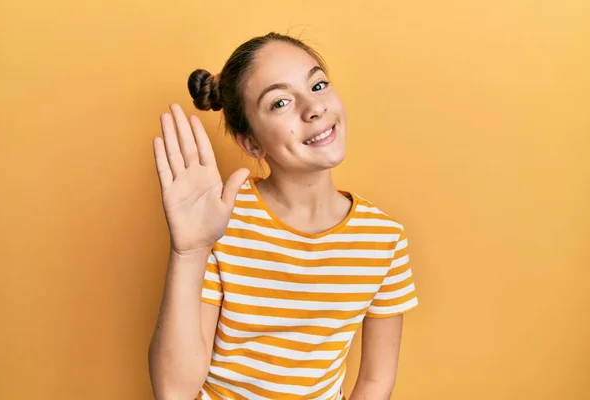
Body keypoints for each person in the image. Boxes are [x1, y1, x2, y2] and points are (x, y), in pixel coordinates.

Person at [148, 32, 418, 400]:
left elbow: (374, 381)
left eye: (318, 84)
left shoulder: (383, 239)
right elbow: (173, 391)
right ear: (250, 143)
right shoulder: (222, 218)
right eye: (280, 103)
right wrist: (190, 251)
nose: (314, 107)